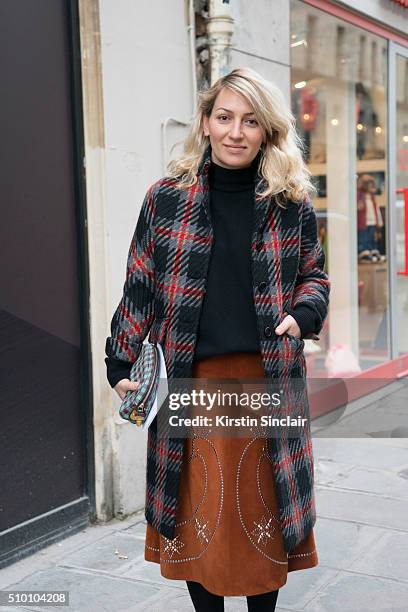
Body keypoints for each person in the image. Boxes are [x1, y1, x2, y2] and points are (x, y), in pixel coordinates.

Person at [105, 67, 330, 611]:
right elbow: (141, 284)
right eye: (224, 117)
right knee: (198, 523)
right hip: (190, 380)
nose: (236, 131)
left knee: (262, 525)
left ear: (267, 131)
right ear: (205, 123)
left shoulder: (290, 201)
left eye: (250, 121)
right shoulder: (166, 199)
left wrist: (303, 313)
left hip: (264, 380)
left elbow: (314, 274)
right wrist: (119, 363)